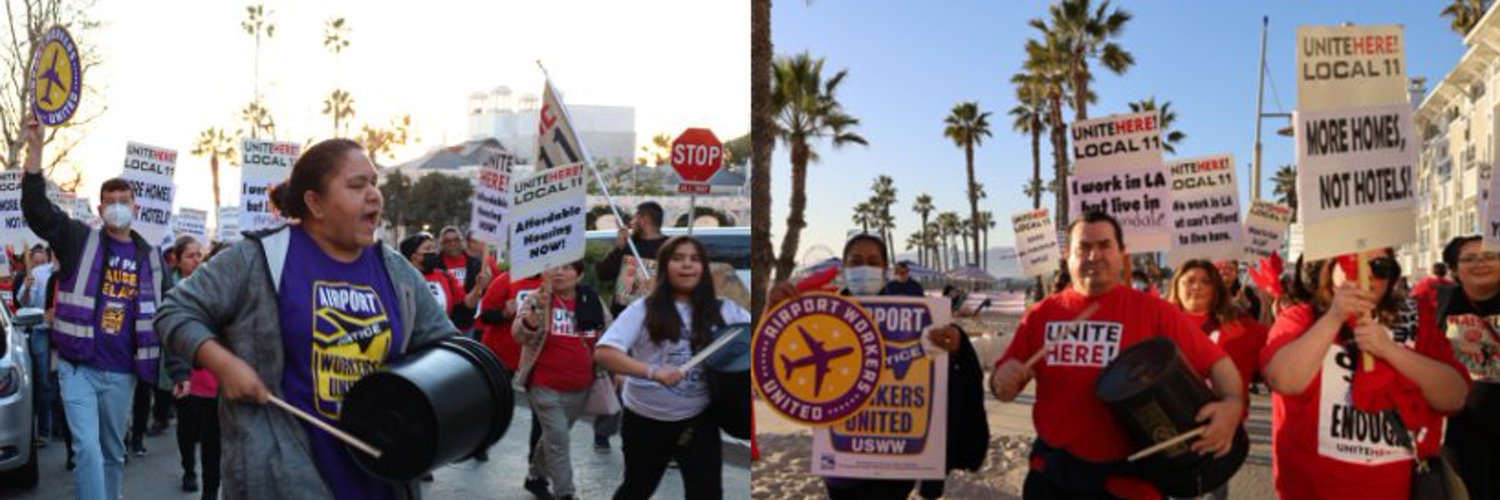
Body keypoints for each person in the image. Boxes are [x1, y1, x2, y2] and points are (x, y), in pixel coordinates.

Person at [155, 138, 459, 500]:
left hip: (382, 482)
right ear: (315, 203)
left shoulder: (395, 270)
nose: (374, 195)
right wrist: (222, 363)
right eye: (356, 185)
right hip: (283, 482)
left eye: (374, 183)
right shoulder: (257, 258)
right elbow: (174, 311)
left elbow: (449, 349)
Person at [991, 212, 1244, 498]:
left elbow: (1218, 363)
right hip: (1054, 471)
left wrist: (1232, 406)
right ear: (1068, 256)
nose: (1093, 255)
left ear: (1122, 252)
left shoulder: (1154, 311)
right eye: (1083, 247)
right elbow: (1002, 387)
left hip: (1130, 476)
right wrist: (1002, 380)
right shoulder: (1041, 315)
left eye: (1104, 245)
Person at [768, 233, 989, 500]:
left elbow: (941, 372)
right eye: (856, 261)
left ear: (885, 270)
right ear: (844, 269)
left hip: (895, 465)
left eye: (873, 262)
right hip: (841, 460)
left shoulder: (914, 317)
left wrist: (956, 346)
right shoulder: (820, 315)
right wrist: (775, 312)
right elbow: (774, 363)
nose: (865, 268)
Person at [19, 117, 169, 500]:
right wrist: (35, 152)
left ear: (135, 206)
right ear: (101, 208)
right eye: (111, 202)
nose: (118, 207)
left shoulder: (151, 258)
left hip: (122, 375)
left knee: (112, 454)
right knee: (87, 450)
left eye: (124, 201)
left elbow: (166, 317)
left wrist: (178, 369)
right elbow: (37, 209)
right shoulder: (77, 239)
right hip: (78, 369)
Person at [1261, 247, 1468, 499]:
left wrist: (1388, 350)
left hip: (1396, 489)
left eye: (1380, 267)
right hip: (1314, 489)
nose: (1366, 274)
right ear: (1330, 269)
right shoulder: (1300, 318)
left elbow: (1454, 396)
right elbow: (1283, 380)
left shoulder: (1416, 321)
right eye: (1352, 263)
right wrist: (1335, 317)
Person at [595, 235, 751, 499]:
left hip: (699, 418)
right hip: (645, 420)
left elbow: (762, 337)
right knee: (637, 488)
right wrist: (653, 372)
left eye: (695, 259)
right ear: (665, 266)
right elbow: (604, 353)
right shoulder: (643, 309)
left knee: (708, 493)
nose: (687, 265)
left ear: (704, 267)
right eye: (678, 259)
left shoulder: (726, 310)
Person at [1165, 259, 1270, 499]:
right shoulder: (1160, 321)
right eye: (1189, 281)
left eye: (1205, 281)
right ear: (1176, 285)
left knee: (1216, 493)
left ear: (1217, 288)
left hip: (1221, 432)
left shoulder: (1241, 326)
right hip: (1172, 432)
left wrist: (1274, 305)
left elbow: (1276, 345)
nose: (1196, 287)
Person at [513, 260, 612, 500]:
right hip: (544, 385)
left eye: (567, 267)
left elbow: (610, 335)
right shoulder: (537, 298)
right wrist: (536, 314)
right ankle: (565, 494)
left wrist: (615, 369)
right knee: (559, 441)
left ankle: (535, 478)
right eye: (554, 267)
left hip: (581, 385)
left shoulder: (592, 300)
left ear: (578, 275)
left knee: (553, 436)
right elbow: (518, 334)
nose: (559, 272)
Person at [1431, 235, 1500, 498]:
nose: (1480, 264)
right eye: (1469, 259)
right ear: (1454, 269)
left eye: (1489, 256)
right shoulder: (1439, 304)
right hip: (1460, 430)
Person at [160, 235, 218, 497]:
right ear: (177, 259)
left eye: (199, 255)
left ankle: (210, 486)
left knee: (211, 437)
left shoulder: (213, 287)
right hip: (184, 372)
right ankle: (189, 469)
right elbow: (172, 337)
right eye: (190, 256)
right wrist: (180, 373)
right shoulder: (172, 292)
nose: (196, 260)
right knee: (187, 427)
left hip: (211, 376)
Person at [477, 268, 546, 463]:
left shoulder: (550, 284)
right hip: (501, 353)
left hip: (532, 357)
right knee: (494, 403)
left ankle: (536, 462)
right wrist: (503, 313)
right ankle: (482, 442)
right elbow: (485, 316)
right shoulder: (505, 280)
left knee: (541, 412)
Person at [597, 201, 670, 316]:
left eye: (634, 218)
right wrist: (618, 248)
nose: (631, 223)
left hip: (653, 315)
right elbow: (603, 274)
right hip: (622, 315)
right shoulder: (628, 244)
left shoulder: (669, 248)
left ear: (643, 220)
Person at [437, 225, 494, 338]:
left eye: (456, 239)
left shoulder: (474, 264)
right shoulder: (435, 264)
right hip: (442, 324)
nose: (452, 244)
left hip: (467, 323)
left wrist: (485, 283)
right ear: (442, 244)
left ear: (461, 241)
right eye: (447, 241)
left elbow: (483, 291)